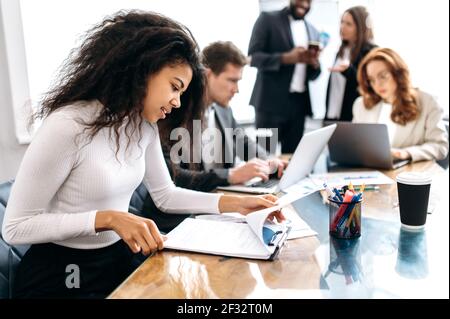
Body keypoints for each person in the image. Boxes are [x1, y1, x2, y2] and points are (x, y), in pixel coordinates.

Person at [1, 11, 284, 299]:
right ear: (141, 69)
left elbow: (166, 195)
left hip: (116, 259)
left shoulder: (143, 125)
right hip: (62, 275)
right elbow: (15, 228)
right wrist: (107, 218)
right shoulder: (67, 125)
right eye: (174, 87)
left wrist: (236, 203)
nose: (176, 101)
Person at [138, 41, 288, 233]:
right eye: (232, 80)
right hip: (176, 221)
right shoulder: (170, 111)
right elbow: (175, 176)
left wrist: (270, 161)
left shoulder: (223, 111)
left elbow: (243, 143)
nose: (237, 89)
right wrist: (231, 175)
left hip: (217, 207)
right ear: (208, 75)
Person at [248, 0, 321, 153]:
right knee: (264, 159)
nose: (304, 4)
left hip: (299, 106)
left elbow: (313, 76)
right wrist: (286, 58)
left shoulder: (313, 31)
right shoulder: (267, 19)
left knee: (294, 160)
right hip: (269, 104)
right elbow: (253, 58)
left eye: (309, 1)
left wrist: (314, 64)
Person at [353, 48, 448, 162]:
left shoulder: (428, 102)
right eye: (371, 80)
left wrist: (407, 153)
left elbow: (440, 146)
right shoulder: (361, 105)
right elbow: (355, 145)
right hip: (371, 171)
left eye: (383, 76)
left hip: (410, 173)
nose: (377, 84)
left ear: (398, 73)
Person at [325, 6, 377, 121]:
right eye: (342, 22)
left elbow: (370, 85)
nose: (342, 27)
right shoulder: (342, 51)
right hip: (332, 114)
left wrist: (348, 71)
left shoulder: (370, 52)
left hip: (352, 117)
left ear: (360, 27)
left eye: (348, 24)